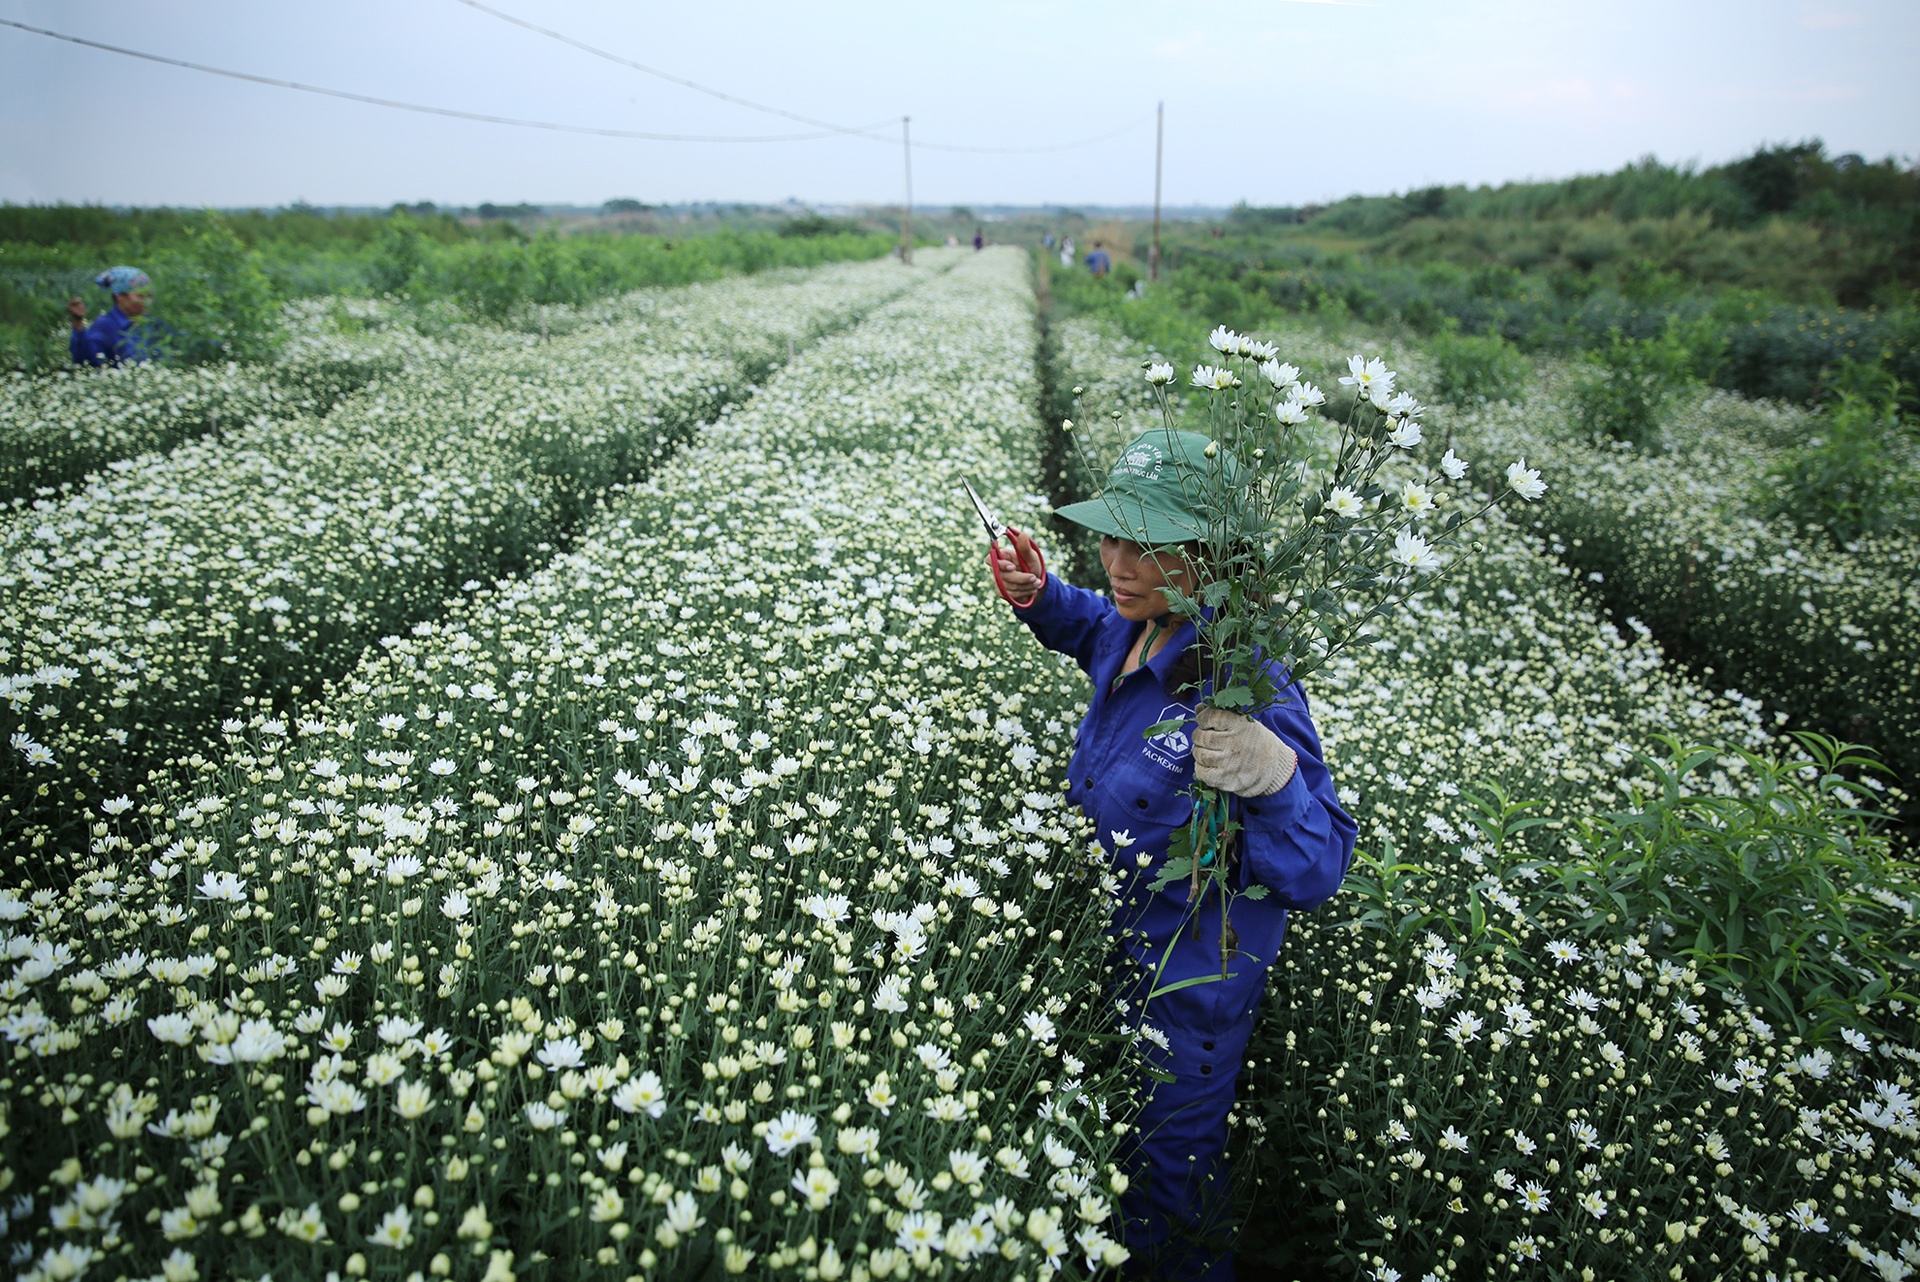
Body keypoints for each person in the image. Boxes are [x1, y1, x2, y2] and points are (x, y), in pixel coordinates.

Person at [987, 428, 1355, 1280]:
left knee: (1167, 1193)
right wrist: (1040, 594)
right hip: (1105, 955)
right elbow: (1091, 629)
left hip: (1189, 987)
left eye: (1145, 547)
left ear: (1209, 558)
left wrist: (1275, 778)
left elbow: (1320, 865)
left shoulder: (1244, 677)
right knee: (1103, 1158)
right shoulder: (1138, 626)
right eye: (1110, 535)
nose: (1116, 561)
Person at [69, 266, 156, 367]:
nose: (147, 301)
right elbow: (87, 360)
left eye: (149, 296)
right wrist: (78, 323)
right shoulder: (105, 326)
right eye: (140, 296)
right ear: (120, 297)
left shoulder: (151, 325)